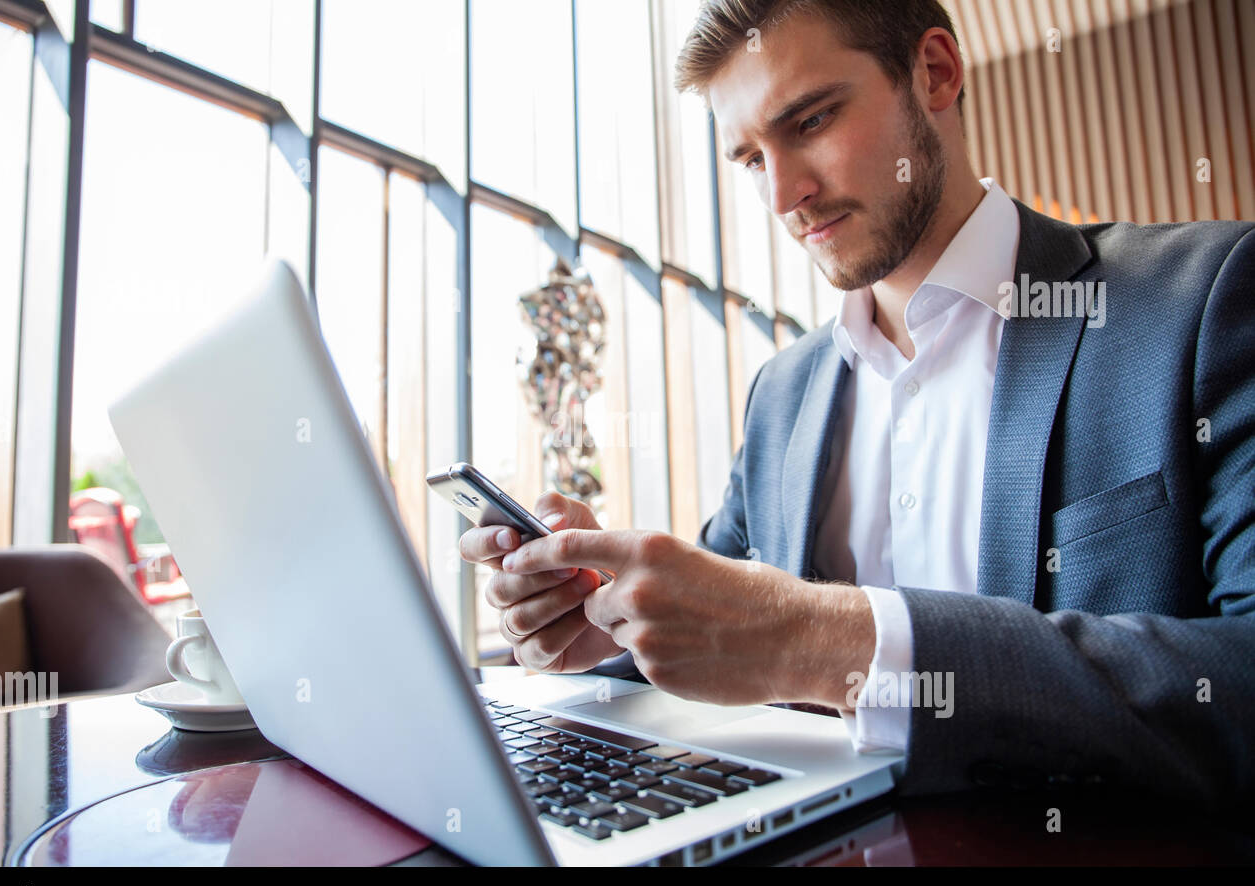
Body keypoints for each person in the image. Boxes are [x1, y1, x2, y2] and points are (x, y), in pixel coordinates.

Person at [458, 0, 1254, 811]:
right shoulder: (783, 395)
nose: (784, 196)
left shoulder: (1200, 299)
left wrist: (816, 640)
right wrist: (606, 624)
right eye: (749, 160)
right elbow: (721, 629)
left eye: (809, 121)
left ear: (935, 73)